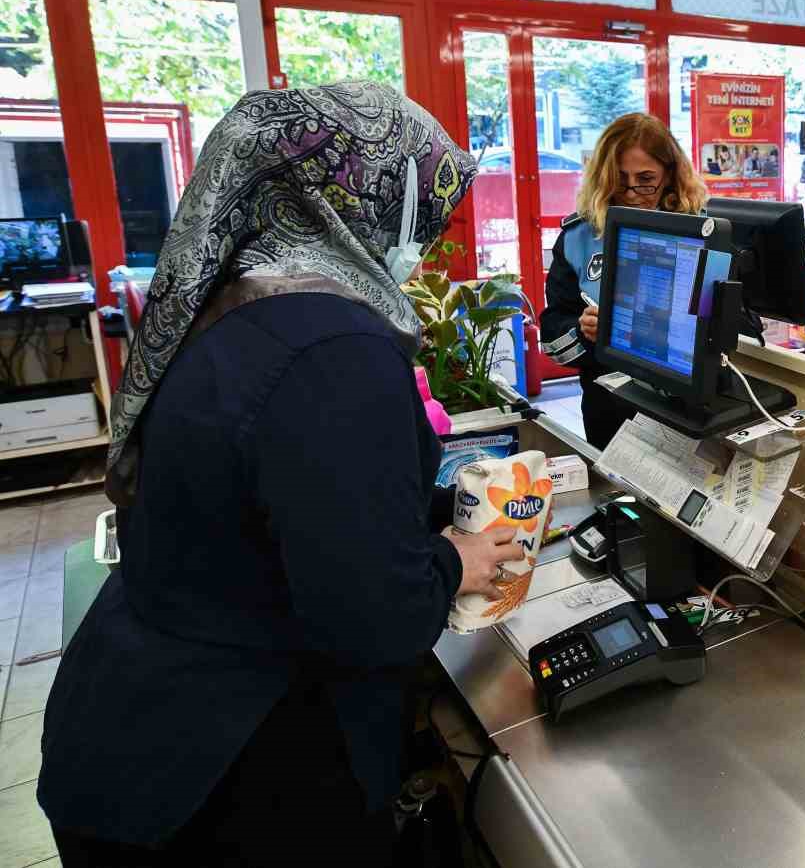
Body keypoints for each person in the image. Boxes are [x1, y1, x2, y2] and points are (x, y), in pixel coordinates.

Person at [38, 82, 525, 866]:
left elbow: (274, 490)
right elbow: (373, 618)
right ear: (367, 193)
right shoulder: (336, 347)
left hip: (132, 728)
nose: (426, 243)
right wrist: (453, 559)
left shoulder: (239, 301)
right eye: (425, 213)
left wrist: (429, 505)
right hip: (221, 778)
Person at [540, 112, 709, 450]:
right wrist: (585, 331)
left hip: (684, 411)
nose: (632, 193)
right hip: (609, 410)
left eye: (646, 179)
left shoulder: (702, 231)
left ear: (670, 175)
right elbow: (551, 337)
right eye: (620, 180)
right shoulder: (578, 238)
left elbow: (727, 318)